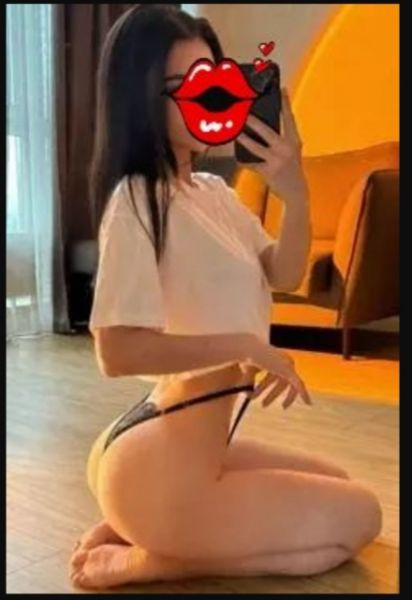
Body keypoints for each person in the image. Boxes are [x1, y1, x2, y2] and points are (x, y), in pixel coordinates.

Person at [69, 4, 382, 590]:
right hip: (162, 465)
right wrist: (246, 346)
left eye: (215, 81)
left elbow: (283, 272)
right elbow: (117, 351)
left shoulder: (212, 192)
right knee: (361, 517)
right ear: (142, 98)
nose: (211, 99)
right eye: (186, 87)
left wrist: (294, 192)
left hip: (179, 446)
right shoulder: (138, 200)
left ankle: (142, 524)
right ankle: (157, 555)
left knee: (339, 484)